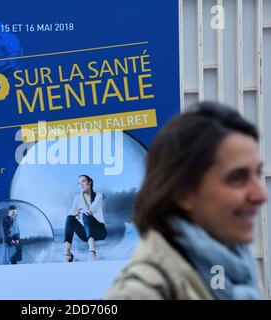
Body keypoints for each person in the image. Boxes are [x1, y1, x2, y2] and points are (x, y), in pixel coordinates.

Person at [105, 102, 267, 300]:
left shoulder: (235, 271)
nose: (261, 195)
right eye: (237, 178)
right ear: (184, 193)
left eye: (257, 173)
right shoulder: (140, 294)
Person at [64, 175, 107, 262]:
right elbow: (71, 213)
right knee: (69, 219)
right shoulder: (77, 198)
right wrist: (80, 210)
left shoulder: (98, 195)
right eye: (79, 183)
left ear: (89, 182)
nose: (81, 185)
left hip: (100, 231)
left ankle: (92, 251)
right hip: (85, 234)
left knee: (86, 215)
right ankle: (67, 253)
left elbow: (89, 210)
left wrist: (82, 194)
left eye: (83, 181)